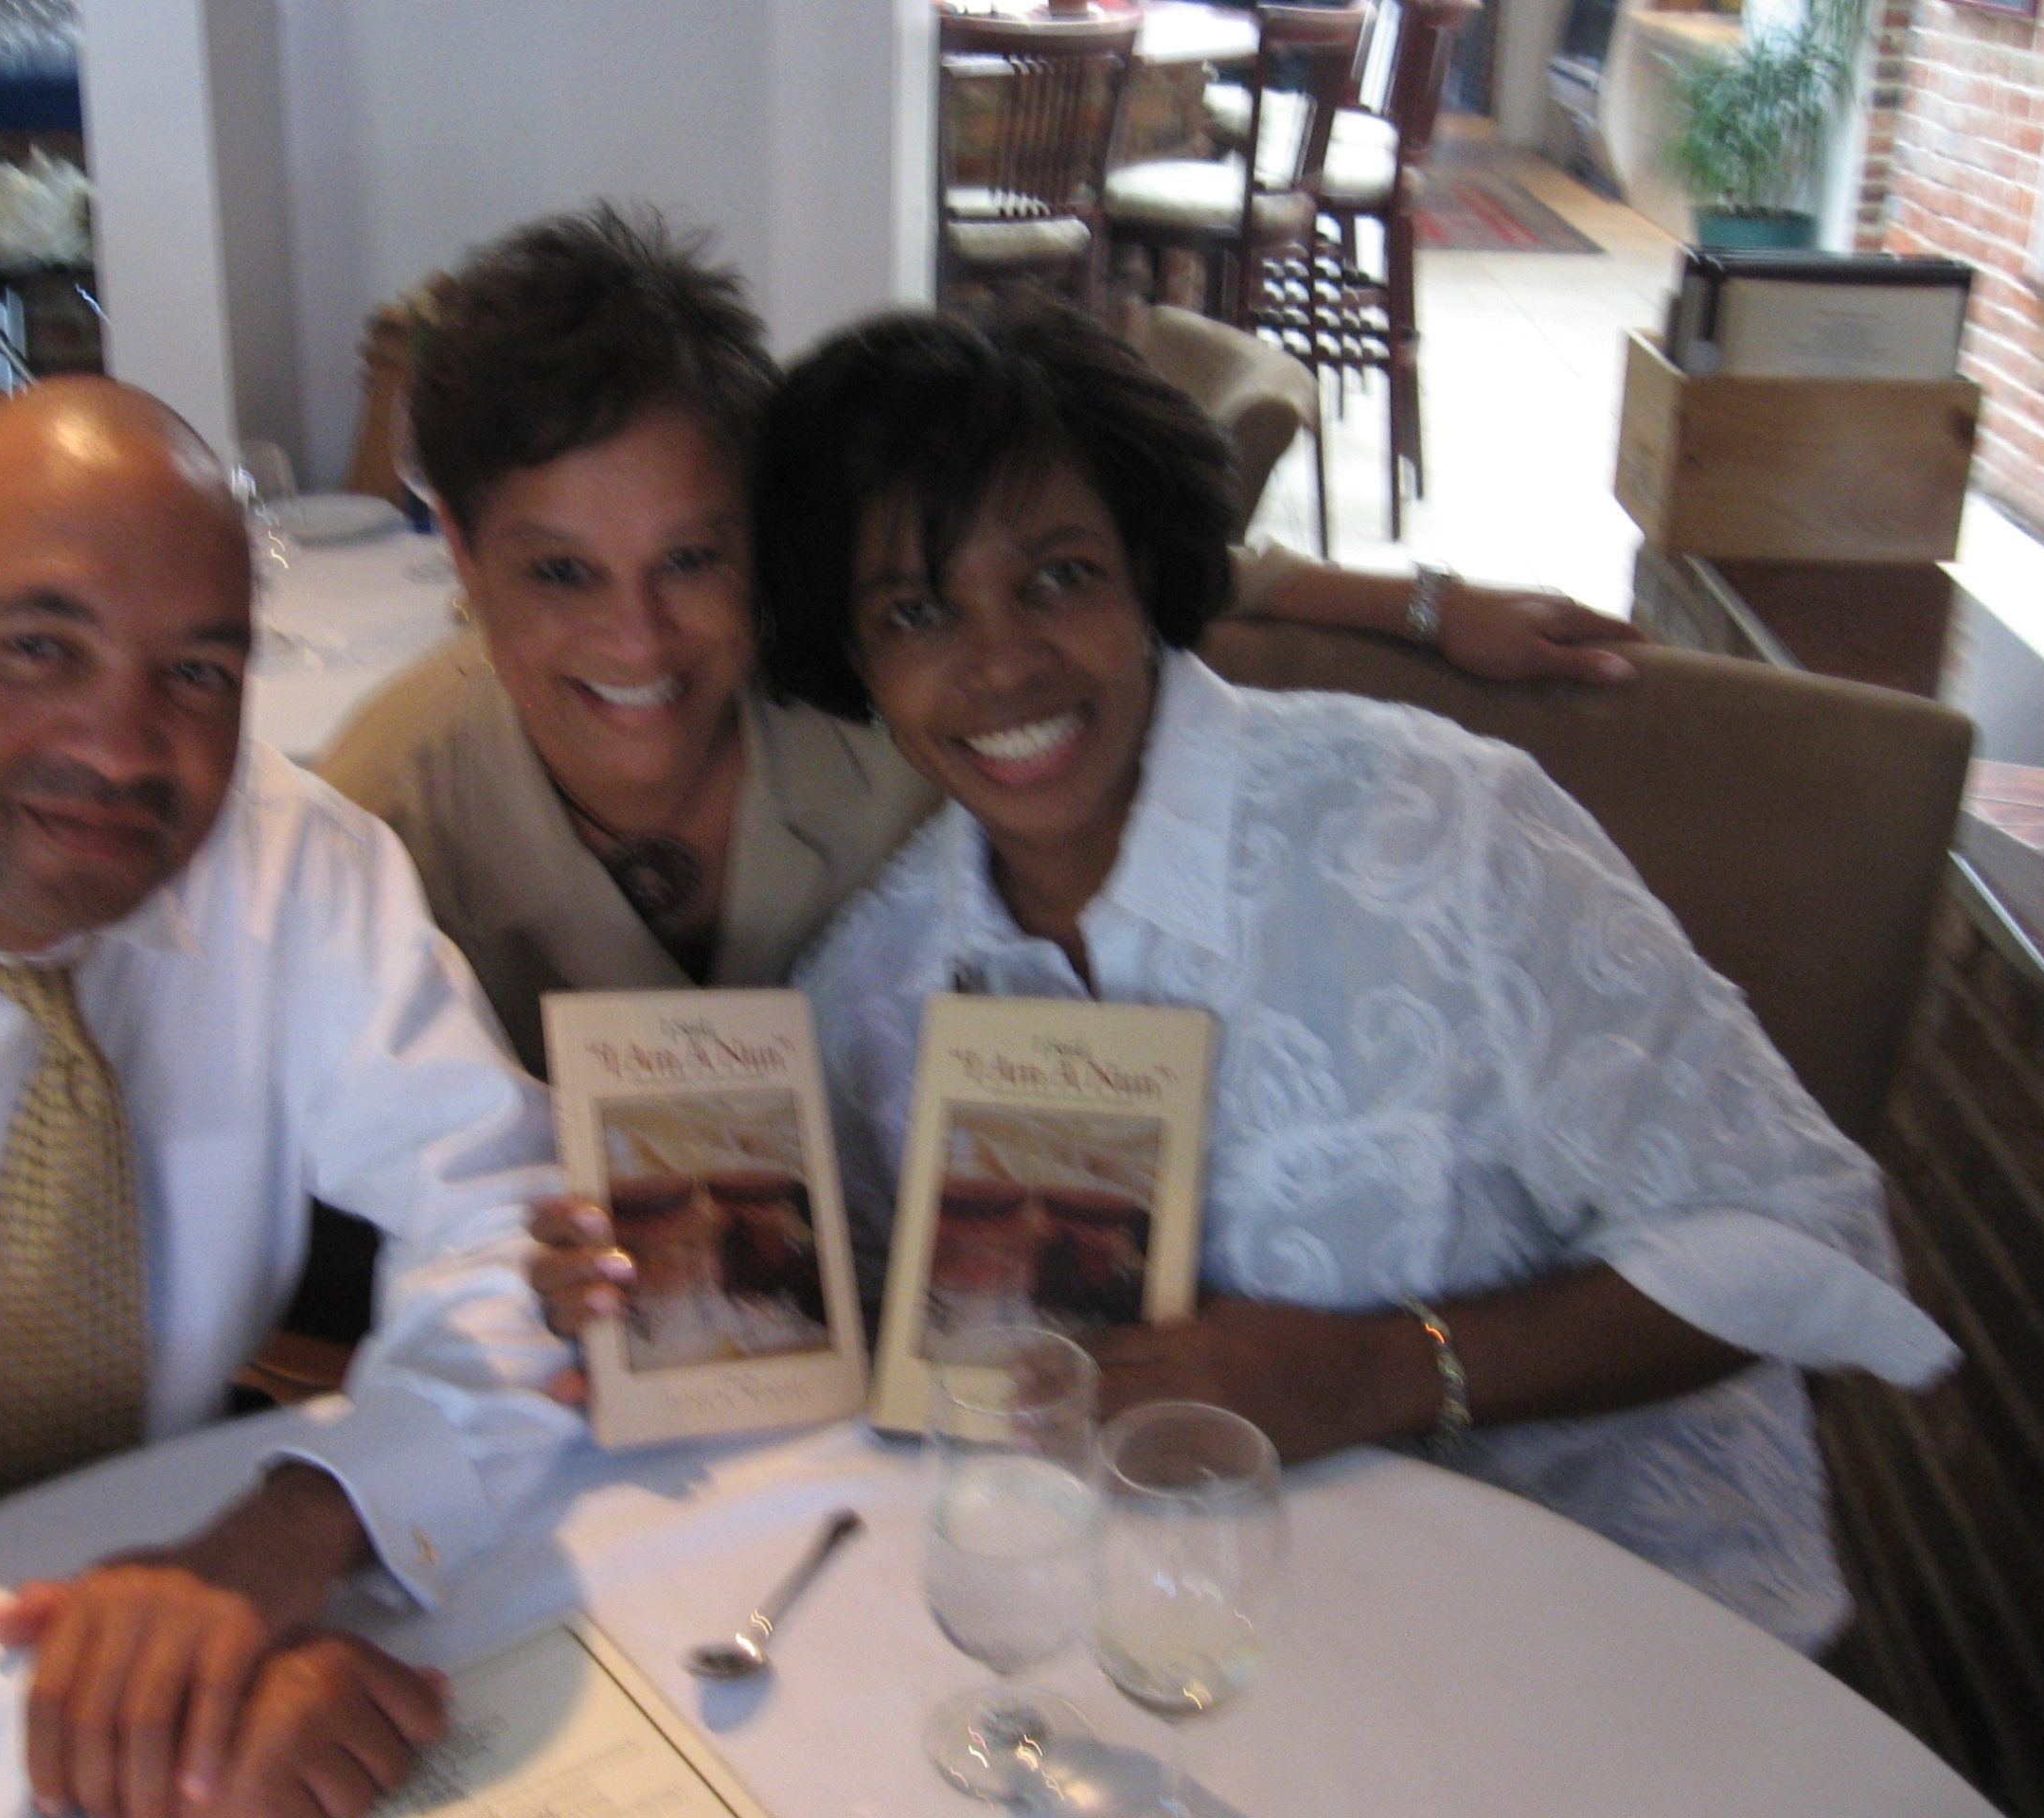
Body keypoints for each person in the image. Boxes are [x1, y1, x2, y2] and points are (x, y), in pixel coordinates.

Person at [758, 302, 1958, 1656]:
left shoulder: (1435, 833)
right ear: (855, 660)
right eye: (918, 613)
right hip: (1166, 1641)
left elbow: (1795, 1228)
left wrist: (1387, 1370)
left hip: (1607, 1634)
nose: (1000, 663)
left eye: (1059, 578)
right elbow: (844, 1343)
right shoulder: (878, 992)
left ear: (1147, 573)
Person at [0, 378, 577, 1818]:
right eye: (40, 649)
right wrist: (92, 1708)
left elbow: (521, 1230)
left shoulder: (291, 866)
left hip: (203, 1581)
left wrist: (305, 1521)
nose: (124, 746)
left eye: (197, 673)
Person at [320, 206, 1643, 1090]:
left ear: (763, 546)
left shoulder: (882, 690)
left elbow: (1096, 576)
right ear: (464, 561)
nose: (636, 637)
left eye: (692, 559)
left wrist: (1426, 606)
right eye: (561, 574)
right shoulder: (385, 814)